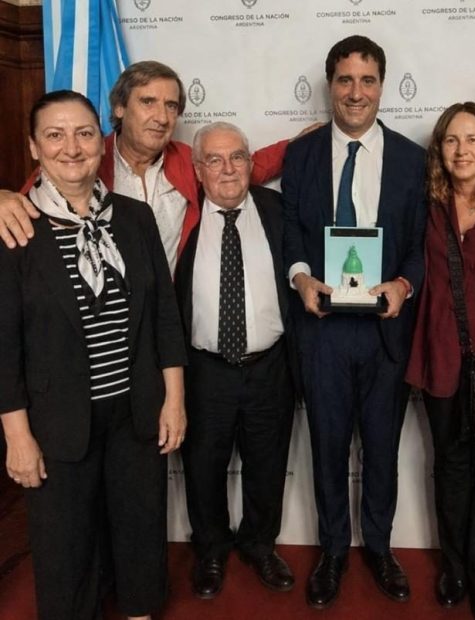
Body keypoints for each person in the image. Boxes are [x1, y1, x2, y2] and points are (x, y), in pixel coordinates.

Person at [0, 90, 187, 620]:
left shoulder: (135, 218)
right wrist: (17, 437)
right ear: (34, 147)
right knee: (65, 547)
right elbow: (4, 345)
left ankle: (139, 611)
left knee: (139, 531)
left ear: (101, 142)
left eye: (84, 133)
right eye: (54, 135)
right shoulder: (15, 227)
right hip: (56, 422)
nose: (72, 147)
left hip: (136, 413)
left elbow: (164, 316)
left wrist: (173, 400)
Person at [282, 35, 427, 609]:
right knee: (327, 448)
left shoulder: (413, 159)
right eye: (345, 79)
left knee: (383, 450)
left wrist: (403, 284)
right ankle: (334, 551)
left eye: (367, 80)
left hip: (385, 332)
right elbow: (292, 231)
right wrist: (300, 278)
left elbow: (420, 244)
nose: (356, 92)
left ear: (382, 86)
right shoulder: (302, 156)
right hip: (323, 330)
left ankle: (382, 549)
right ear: (330, 86)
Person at [0, 61, 321, 272]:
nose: (162, 117)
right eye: (148, 102)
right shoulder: (84, 159)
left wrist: (298, 145)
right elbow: (26, 207)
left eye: (171, 106)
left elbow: (244, 168)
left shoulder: (186, 159)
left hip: (170, 314)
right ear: (120, 107)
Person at [406, 102, 475, 620]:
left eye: (473, 138)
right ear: (440, 150)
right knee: (451, 468)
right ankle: (453, 567)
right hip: (441, 357)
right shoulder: (429, 205)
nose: (462, 150)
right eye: (451, 140)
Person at [174, 122, 296, 599]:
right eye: (215, 160)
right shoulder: (180, 218)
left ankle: (260, 545)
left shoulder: (278, 210)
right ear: (198, 169)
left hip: (270, 366)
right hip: (205, 370)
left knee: (268, 463)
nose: (228, 169)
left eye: (237, 157)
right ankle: (210, 549)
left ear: (250, 163)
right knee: (203, 466)